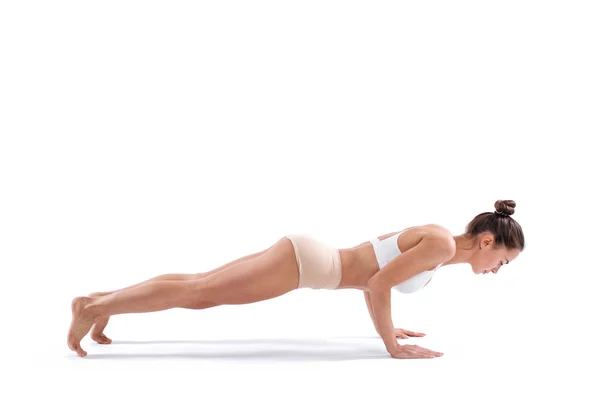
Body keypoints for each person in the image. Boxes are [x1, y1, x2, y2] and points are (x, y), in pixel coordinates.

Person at [67, 199, 525, 359]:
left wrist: (390, 326)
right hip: (307, 265)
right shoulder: (443, 245)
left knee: (200, 285)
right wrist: (391, 345)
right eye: (503, 260)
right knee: (202, 292)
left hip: (307, 258)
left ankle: (101, 300)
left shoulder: (439, 243)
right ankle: (93, 308)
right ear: (487, 242)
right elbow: (379, 284)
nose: (497, 271)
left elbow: (376, 279)